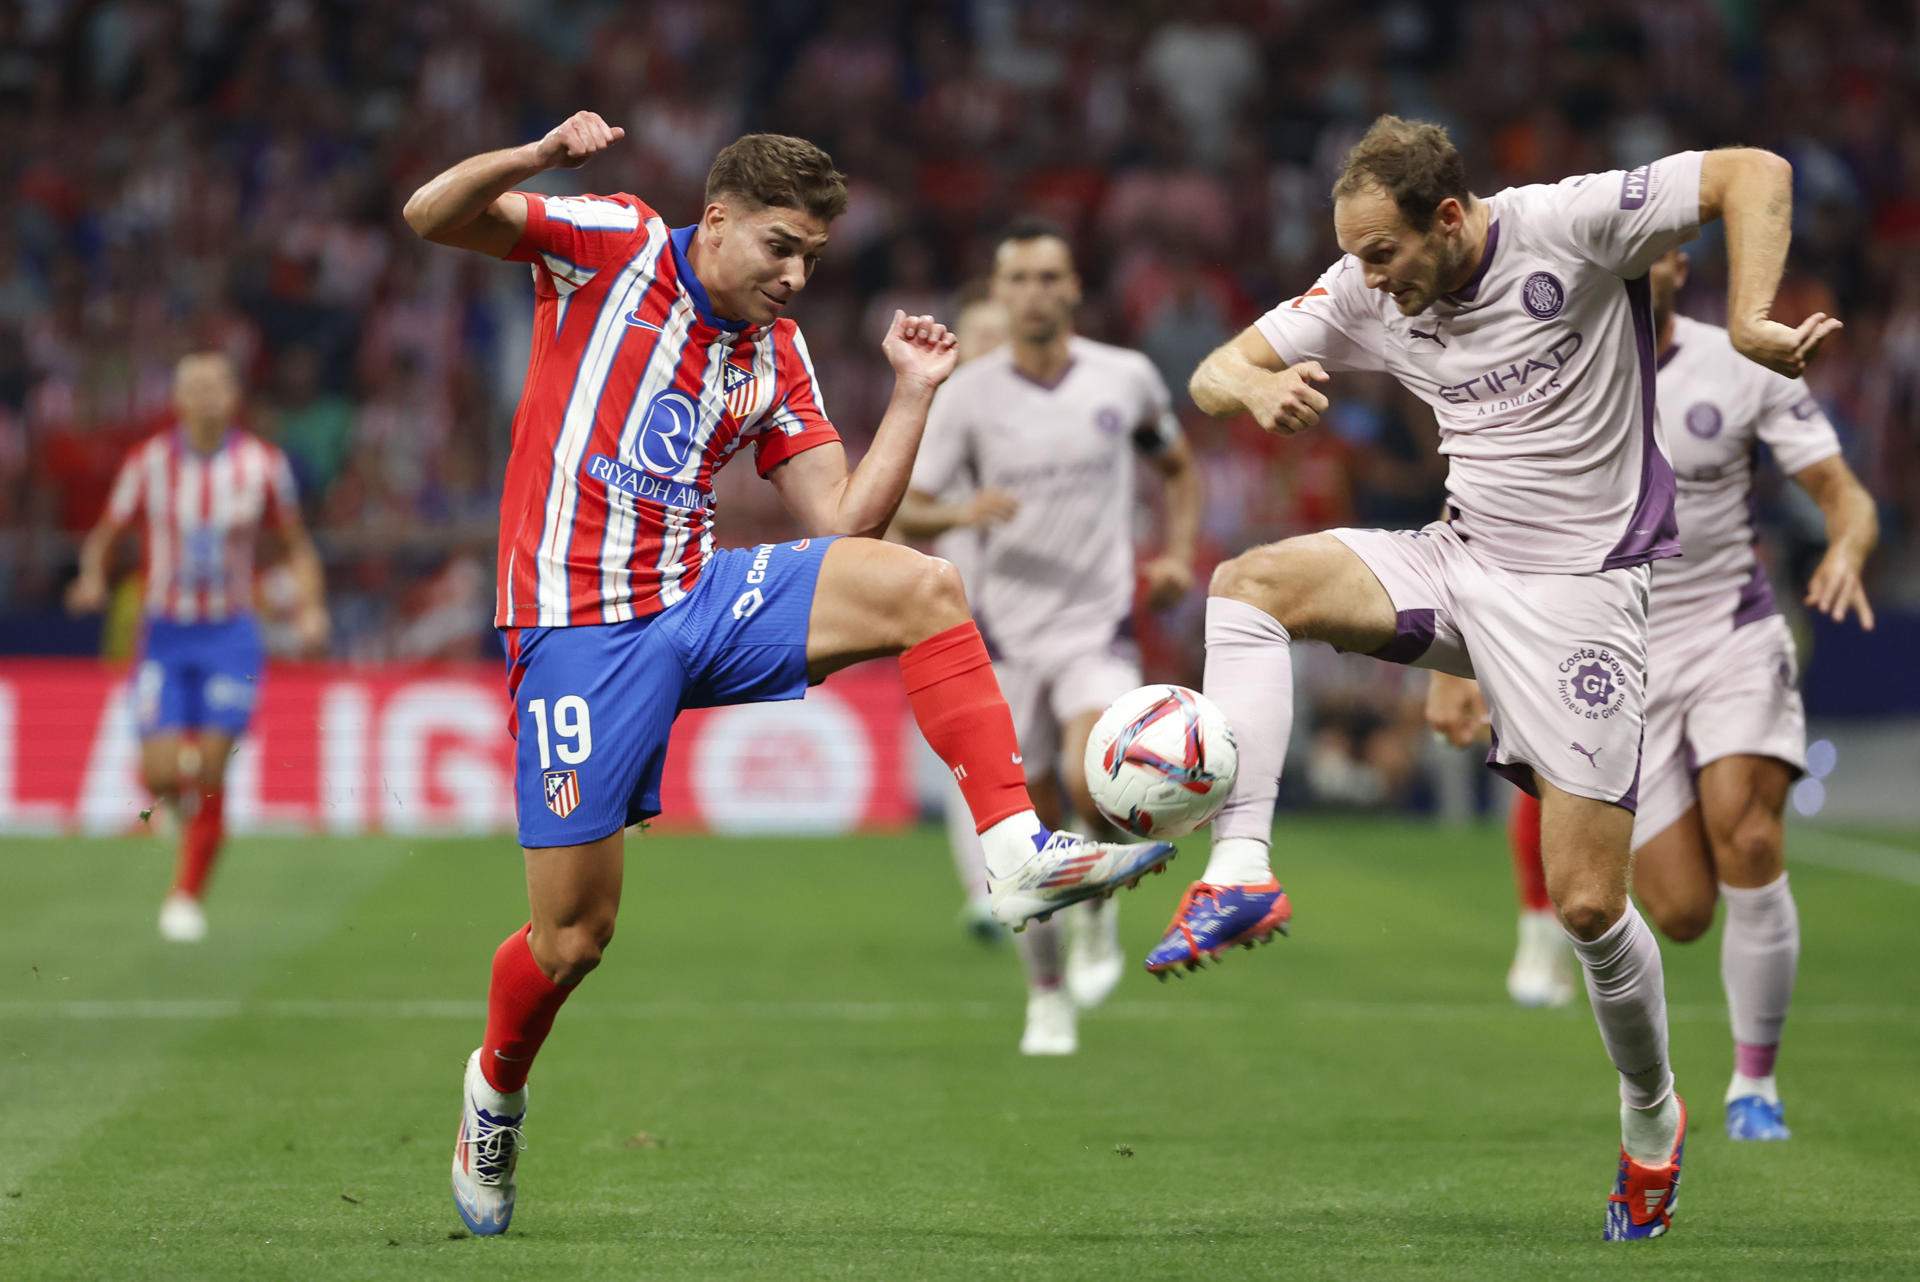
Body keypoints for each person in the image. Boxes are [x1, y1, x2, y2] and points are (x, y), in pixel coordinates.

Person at [402, 112, 1175, 1236]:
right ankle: (494, 1092)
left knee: (919, 584)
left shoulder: (777, 350)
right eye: (780, 247)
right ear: (714, 222)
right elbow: (432, 215)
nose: (797, 275)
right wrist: (536, 158)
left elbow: (845, 525)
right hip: (575, 631)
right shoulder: (609, 243)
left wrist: (914, 393)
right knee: (574, 938)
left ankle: (1012, 854)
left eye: (813, 255)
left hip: (699, 598)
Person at [1168, 115, 1841, 1239]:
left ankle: (1650, 1111)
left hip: (1585, 600)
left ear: (1448, 217)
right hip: (1462, 560)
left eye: (1381, 253)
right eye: (1355, 258)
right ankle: (1241, 864)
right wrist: (1249, 390)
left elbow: (1752, 172)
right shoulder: (1370, 288)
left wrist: (1754, 314)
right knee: (1248, 583)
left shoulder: (1568, 225)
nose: (1366, 280)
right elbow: (1210, 371)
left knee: (1590, 904)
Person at [1427, 245, 1877, 1140]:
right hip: (1617, 655)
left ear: (1681, 267)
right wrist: (1452, 668)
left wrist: (1847, 543)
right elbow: (1475, 518)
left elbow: (1841, 490)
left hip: (1731, 633)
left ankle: (1755, 1086)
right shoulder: (1546, 365)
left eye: (1669, 247)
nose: (1654, 261)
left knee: (1748, 833)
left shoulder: (1739, 364)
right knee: (1678, 912)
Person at [897, 221, 1201, 1055]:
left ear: (1073, 288)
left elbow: (1177, 466)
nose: (1034, 291)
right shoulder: (969, 394)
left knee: (1086, 771)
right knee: (1020, 834)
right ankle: (1046, 992)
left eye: (1048, 276)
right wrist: (962, 511)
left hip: (1094, 627)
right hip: (1001, 637)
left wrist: (1175, 554)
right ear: (1000, 295)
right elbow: (906, 504)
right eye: (1018, 279)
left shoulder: (1124, 378)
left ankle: (1098, 915)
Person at [67, 352, 329, 942]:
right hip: (163, 632)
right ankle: (179, 816)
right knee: (160, 773)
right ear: (178, 398)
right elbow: (106, 535)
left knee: (211, 768)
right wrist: (91, 577)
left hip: (231, 634)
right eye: (195, 386)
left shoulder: (262, 465)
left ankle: (186, 893)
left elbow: (296, 544)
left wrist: (311, 608)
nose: (207, 395)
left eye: (217, 385)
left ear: (233, 396)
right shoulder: (149, 463)